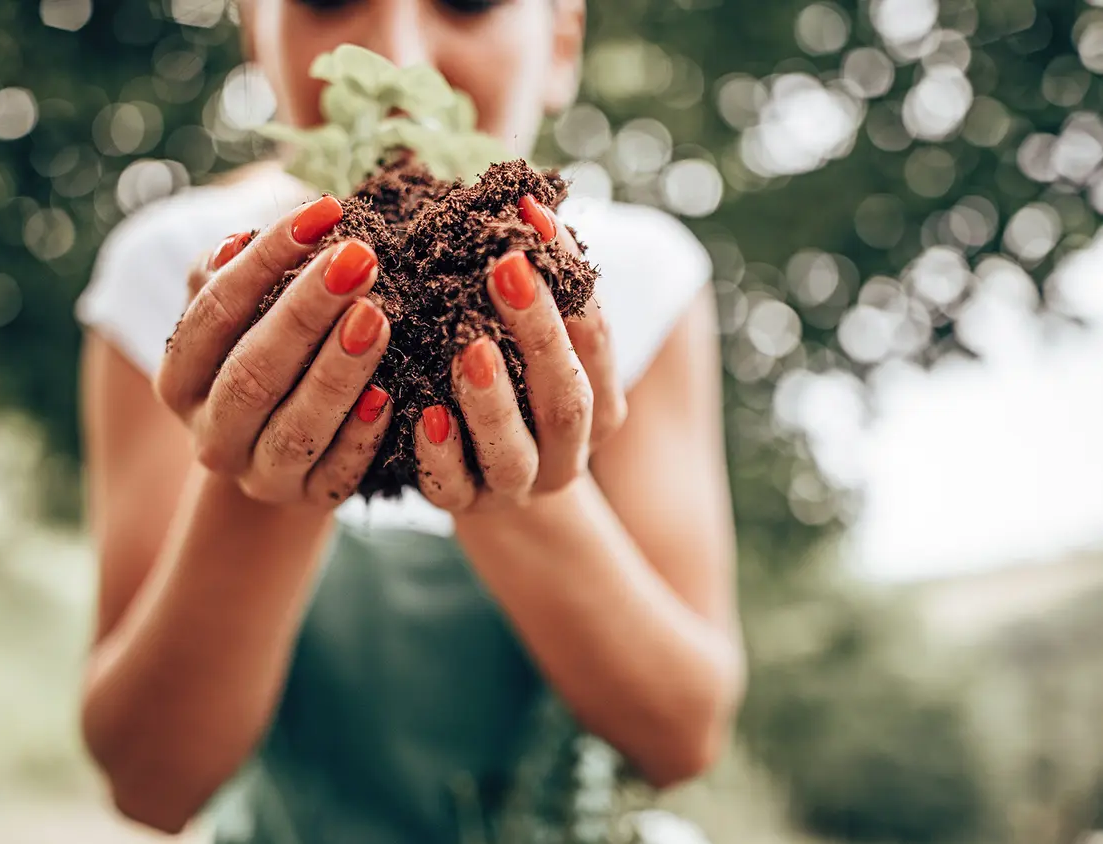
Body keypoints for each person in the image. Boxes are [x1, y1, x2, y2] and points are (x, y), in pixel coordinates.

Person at [74, 0, 745, 841]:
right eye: (327, 0)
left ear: (562, 41)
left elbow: (681, 737)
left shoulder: (639, 280)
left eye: (467, 3)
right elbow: (150, 781)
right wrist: (260, 478)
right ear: (255, 32)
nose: (398, 61)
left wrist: (526, 486)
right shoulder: (181, 275)